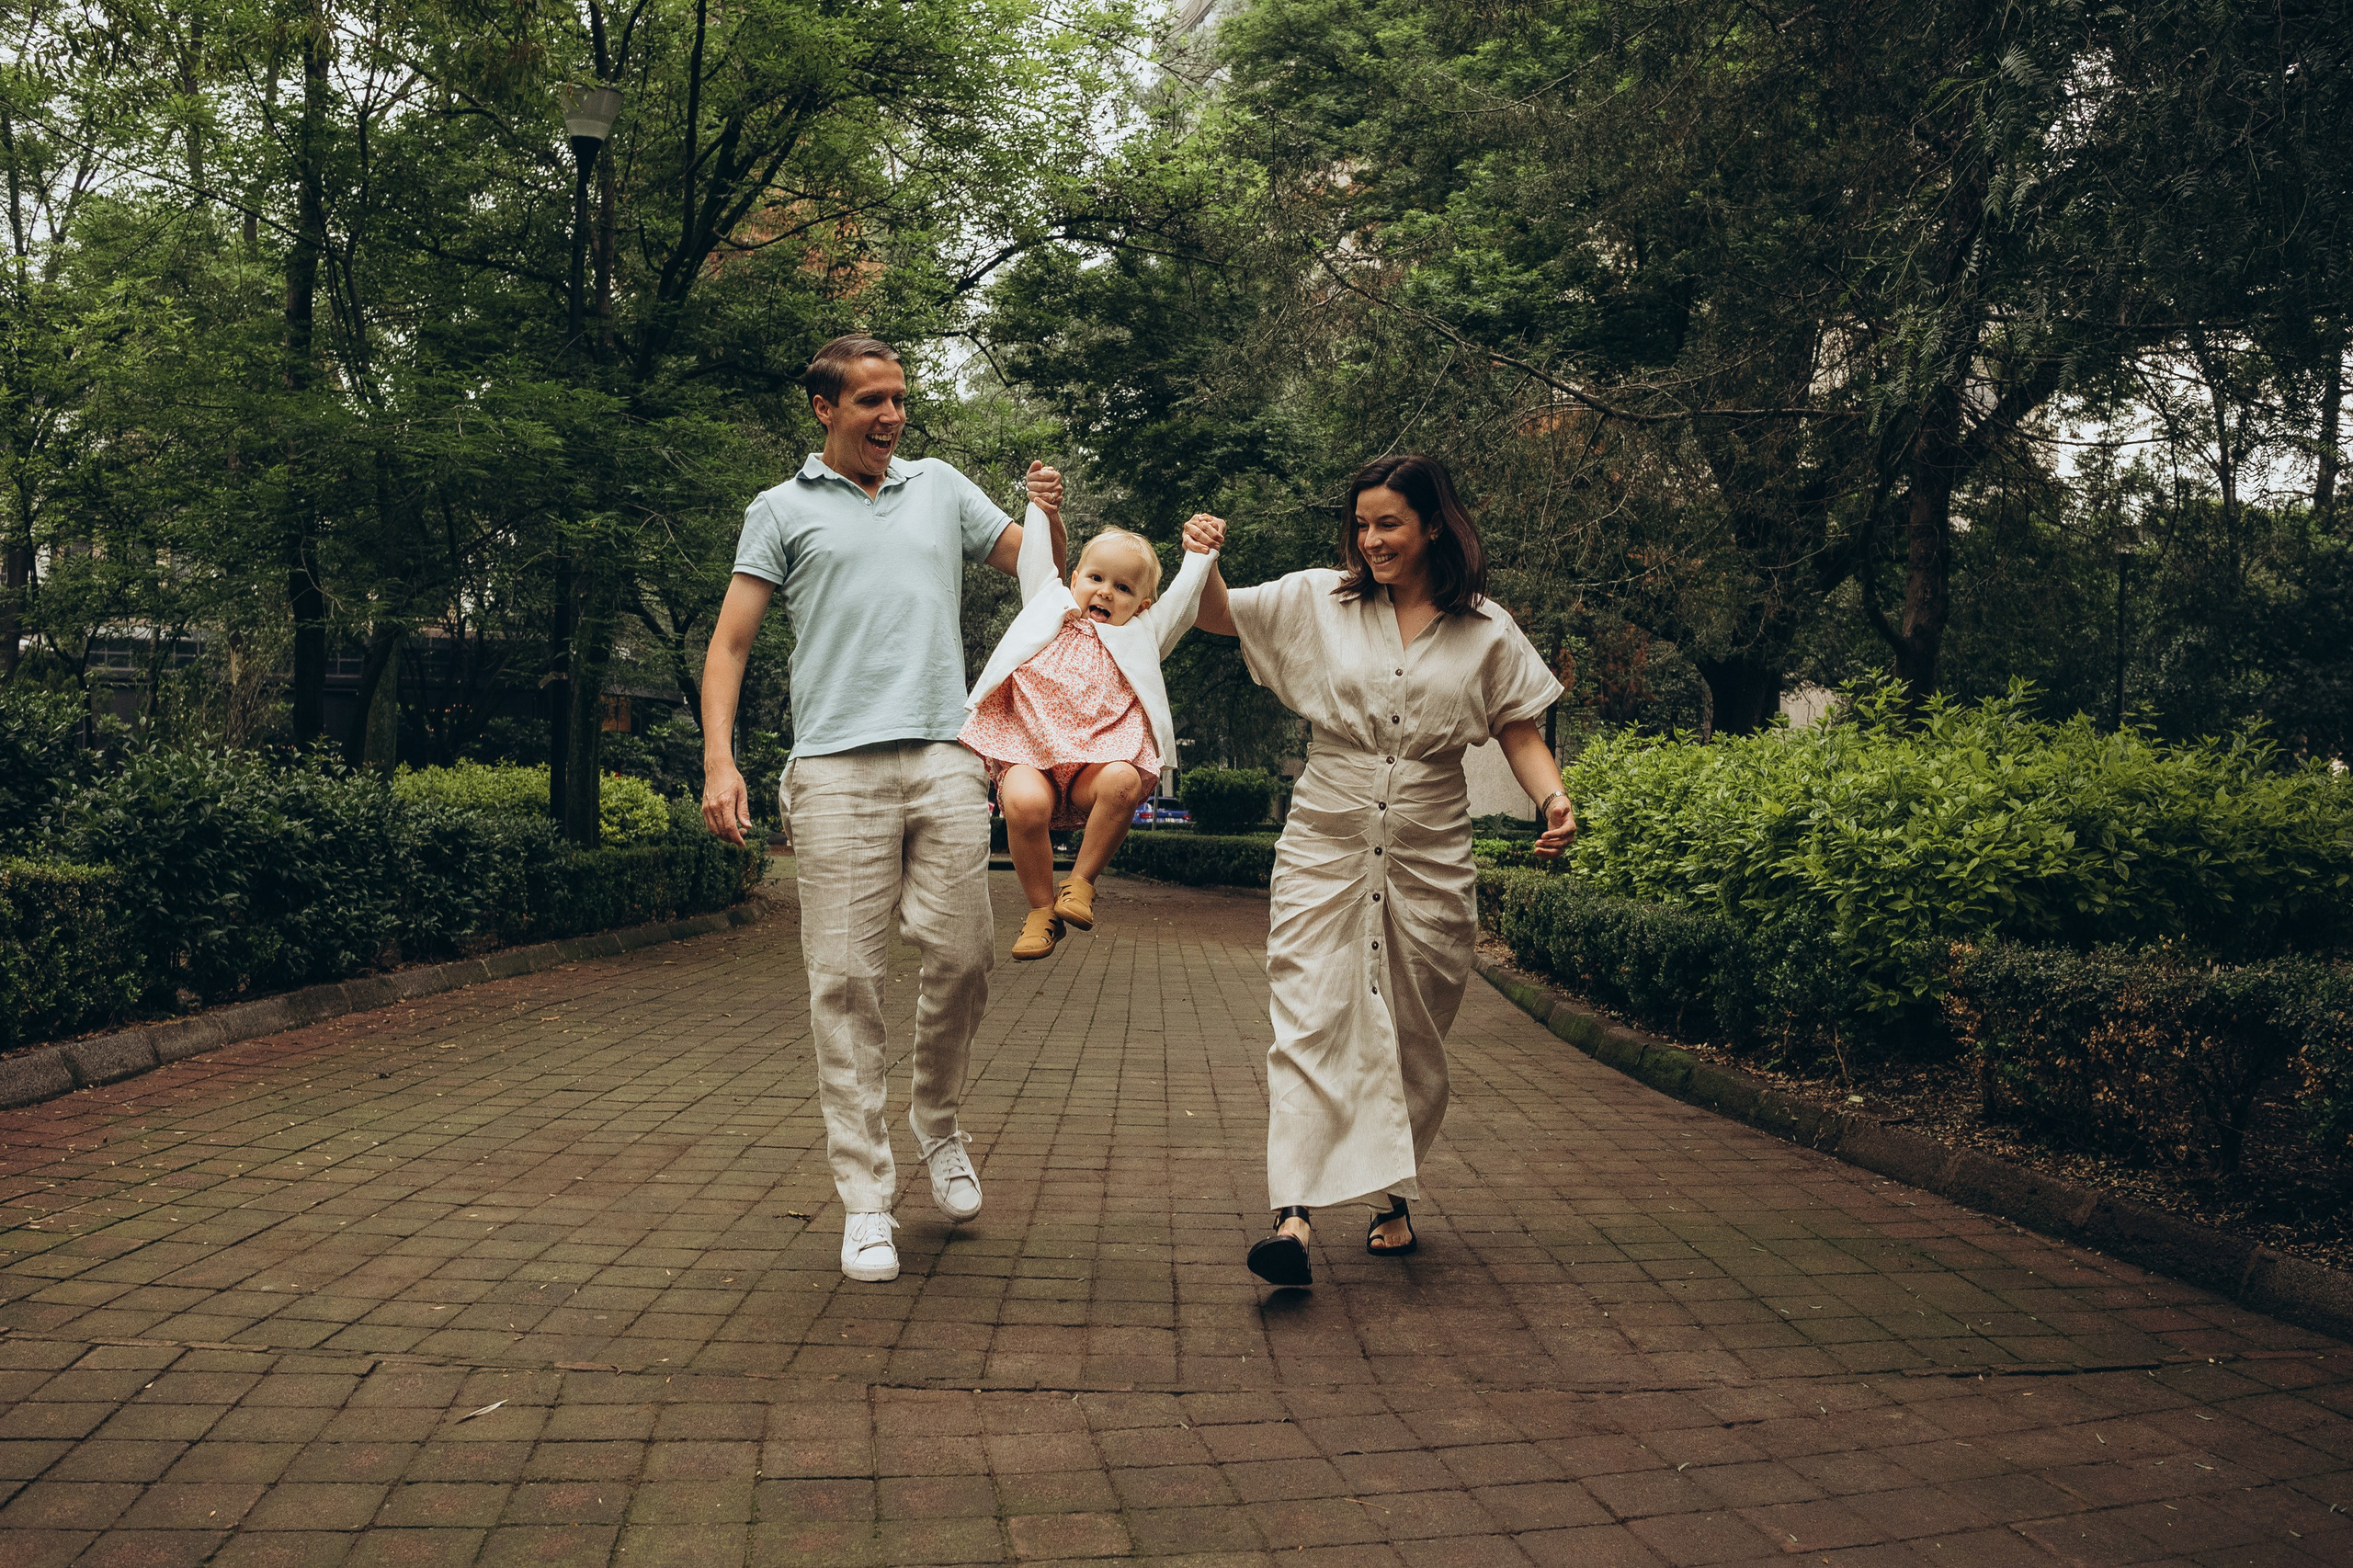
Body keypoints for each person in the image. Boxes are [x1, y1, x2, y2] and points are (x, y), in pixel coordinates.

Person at [700, 334, 1066, 1284]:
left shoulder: (939, 486)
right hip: (833, 770)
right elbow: (731, 644)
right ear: (824, 408)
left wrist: (1049, 516)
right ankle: (867, 1198)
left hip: (947, 754)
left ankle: (936, 1121)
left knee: (964, 953)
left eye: (899, 398)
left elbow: (1044, 582)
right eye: (871, 400)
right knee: (845, 981)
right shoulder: (780, 509)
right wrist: (719, 760)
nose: (891, 415)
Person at [1189, 455, 1576, 1287]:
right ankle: (1292, 1216)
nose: (1370, 540)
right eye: (1361, 525)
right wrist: (1203, 556)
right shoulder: (1318, 599)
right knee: (1308, 1019)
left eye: (1388, 524)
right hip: (1324, 838)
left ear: (1433, 524)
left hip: (1429, 850)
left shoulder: (1486, 629)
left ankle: (1390, 1195)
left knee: (1409, 1031)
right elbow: (1218, 613)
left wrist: (1553, 799)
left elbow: (1518, 727)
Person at [961, 509, 1223, 960]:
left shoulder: (1143, 634)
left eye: (1123, 588)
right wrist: (1040, 507)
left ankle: (1080, 883)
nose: (1105, 592)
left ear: (1142, 606)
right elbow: (1035, 558)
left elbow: (1182, 602)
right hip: (1032, 757)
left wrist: (1201, 553)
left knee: (1124, 781)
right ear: (1074, 579)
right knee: (1022, 803)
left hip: (1093, 770)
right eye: (1096, 578)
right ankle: (1041, 911)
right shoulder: (1047, 606)